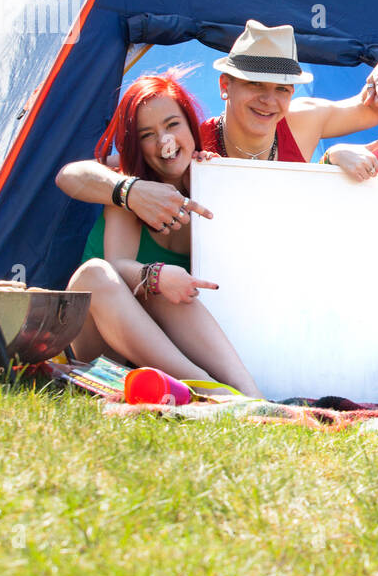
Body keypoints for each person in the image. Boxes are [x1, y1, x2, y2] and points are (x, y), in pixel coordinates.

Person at [55, 19, 378, 229]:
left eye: (281, 89)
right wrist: (129, 193)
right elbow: (71, 176)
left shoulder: (302, 120)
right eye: (255, 84)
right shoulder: (193, 143)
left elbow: (376, 111)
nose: (269, 101)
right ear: (226, 86)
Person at [65, 72, 262, 396]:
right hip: (105, 349)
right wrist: (155, 274)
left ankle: (249, 395)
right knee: (96, 274)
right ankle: (212, 391)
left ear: (190, 126)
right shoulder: (128, 187)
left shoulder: (213, 179)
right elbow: (116, 264)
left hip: (175, 341)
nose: (164, 142)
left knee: (173, 288)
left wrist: (334, 154)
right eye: (148, 134)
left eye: (172, 125)